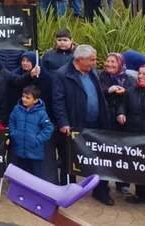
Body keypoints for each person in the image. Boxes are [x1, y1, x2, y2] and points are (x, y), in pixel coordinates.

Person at [52, 45, 113, 203]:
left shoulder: (92, 72)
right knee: (69, 160)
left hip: (96, 124)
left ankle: (100, 191)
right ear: (79, 60)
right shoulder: (62, 75)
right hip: (73, 125)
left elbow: (99, 95)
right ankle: (68, 190)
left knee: (99, 159)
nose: (95, 62)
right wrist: (63, 122)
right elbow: (58, 101)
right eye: (91, 59)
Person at [9, 85, 54, 180]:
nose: (24, 99)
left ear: (35, 100)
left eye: (27, 97)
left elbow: (49, 128)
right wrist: (14, 134)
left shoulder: (41, 113)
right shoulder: (17, 109)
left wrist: (37, 140)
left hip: (35, 153)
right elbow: (11, 121)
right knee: (21, 176)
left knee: (34, 178)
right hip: (19, 151)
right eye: (23, 96)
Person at [116, 65, 145, 204]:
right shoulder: (130, 91)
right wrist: (121, 113)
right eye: (139, 73)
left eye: (144, 74)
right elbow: (123, 105)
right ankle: (140, 195)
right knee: (138, 165)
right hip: (132, 134)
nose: (140, 76)